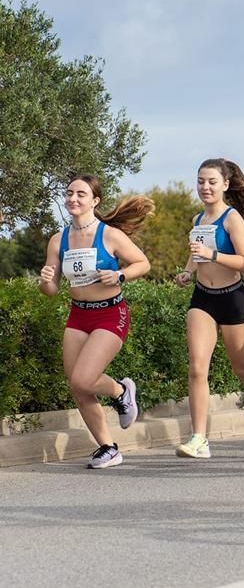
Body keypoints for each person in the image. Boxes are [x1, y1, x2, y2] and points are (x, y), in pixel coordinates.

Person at [38, 175, 153, 468]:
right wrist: (46, 281)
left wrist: (120, 275)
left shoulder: (109, 234)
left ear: (94, 201)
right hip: (78, 314)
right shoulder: (58, 240)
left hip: (110, 313)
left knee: (83, 378)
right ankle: (108, 447)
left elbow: (143, 263)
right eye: (69, 193)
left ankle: (121, 391)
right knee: (78, 385)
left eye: (81, 194)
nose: (73, 199)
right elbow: (50, 291)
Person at [173, 159, 244, 458]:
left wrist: (213, 254)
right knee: (196, 367)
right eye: (201, 181)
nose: (205, 187)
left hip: (233, 298)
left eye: (212, 182)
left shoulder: (232, 220)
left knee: (240, 365)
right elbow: (196, 254)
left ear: (225, 185)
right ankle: (198, 439)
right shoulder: (197, 220)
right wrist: (188, 271)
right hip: (202, 299)